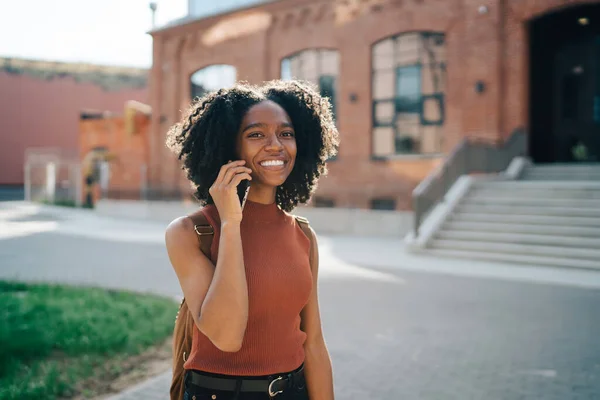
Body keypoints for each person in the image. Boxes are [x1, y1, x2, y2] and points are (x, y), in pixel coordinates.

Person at [164, 80, 339, 400]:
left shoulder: (302, 235)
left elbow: (313, 344)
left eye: (286, 133)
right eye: (256, 134)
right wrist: (231, 223)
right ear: (229, 146)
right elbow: (227, 337)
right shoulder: (192, 232)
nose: (276, 145)